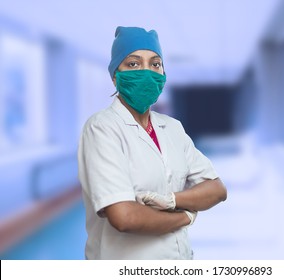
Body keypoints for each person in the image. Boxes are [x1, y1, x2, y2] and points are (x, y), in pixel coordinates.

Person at [77, 26, 227, 260]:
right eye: (134, 64)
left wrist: (172, 200)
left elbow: (216, 189)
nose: (147, 72)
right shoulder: (102, 128)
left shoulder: (173, 128)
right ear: (115, 75)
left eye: (155, 64)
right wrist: (184, 216)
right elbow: (124, 217)